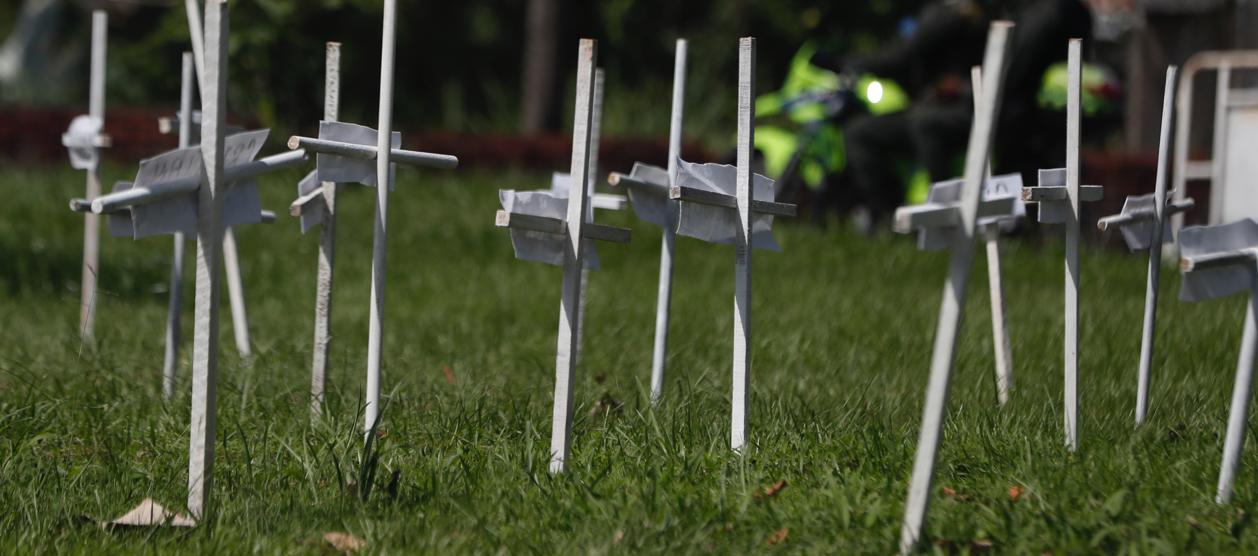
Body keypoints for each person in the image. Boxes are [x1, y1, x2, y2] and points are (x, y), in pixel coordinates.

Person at [834, 0, 1094, 228]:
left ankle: (942, 215)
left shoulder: (1028, 13)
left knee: (921, 124)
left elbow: (906, 54)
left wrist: (847, 64)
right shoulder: (1021, 10)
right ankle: (895, 217)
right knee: (875, 130)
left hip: (986, 108)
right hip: (976, 102)